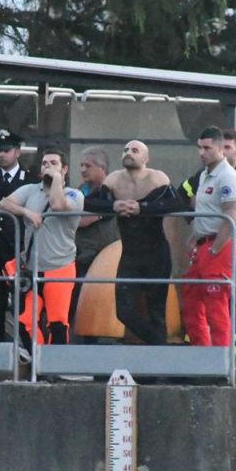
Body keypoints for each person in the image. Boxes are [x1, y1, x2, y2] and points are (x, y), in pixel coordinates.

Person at [83, 140, 178, 345]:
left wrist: (142, 208)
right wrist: (114, 205)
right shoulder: (114, 180)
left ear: (146, 158)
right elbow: (90, 202)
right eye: (126, 149)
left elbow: (175, 203)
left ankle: (160, 366)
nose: (129, 153)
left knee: (157, 311)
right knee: (123, 310)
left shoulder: (157, 177)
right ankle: (160, 346)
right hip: (130, 254)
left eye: (135, 150)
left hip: (157, 253)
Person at [0, 148, 84, 347]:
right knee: (24, 320)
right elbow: (4, 204)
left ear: (65, 169)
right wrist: (26, 212)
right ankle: (37, 360)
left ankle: (55, 368)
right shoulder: (30, 190)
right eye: (45, 163)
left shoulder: (74, 194)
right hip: (32, 268)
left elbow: (57, 205)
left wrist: (55, 180)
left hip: (60, 267)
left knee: (57, 323)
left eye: (54, 163)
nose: (48, 166)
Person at [180, 126, 236, 347]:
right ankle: (202, 354)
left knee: (216, 305)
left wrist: (215, 249)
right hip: (204, 244)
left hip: (218, 245)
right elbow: (203, 209)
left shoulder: (227, 176)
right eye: (200, 148)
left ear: (219, 149)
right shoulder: (206, 175)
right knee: (190, 297)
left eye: (207, 148)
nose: (202, 153)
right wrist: (195, 238)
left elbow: (231, 215)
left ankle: (221, 360)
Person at [0, 127, 32, 341]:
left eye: (6, 149)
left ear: (17, 152)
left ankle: (24, 341)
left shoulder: (29, 178)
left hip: (18, 247)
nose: (1, 154)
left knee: (22, 296)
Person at [70, 146, 119, 335]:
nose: (82, 170)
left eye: (87, 166)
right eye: (81, 165)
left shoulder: (114, 190)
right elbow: (75, 219)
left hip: (105, 255)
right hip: (82, 254)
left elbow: (82, 220)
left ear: (102, 167)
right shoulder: (81, 190)